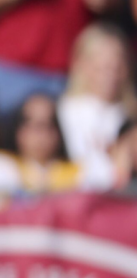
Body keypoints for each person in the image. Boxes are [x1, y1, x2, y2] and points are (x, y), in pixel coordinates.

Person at [57, 23, 137, 189]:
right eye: (102, 62)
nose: (112, 70)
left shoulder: (131, 116)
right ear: (81, 63)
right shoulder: (63, 111)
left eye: (118, 61)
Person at [0, 94, 82, 201]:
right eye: (33, 125)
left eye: (48, 125)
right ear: (18, 130)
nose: (41, 134)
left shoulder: (79, 174)